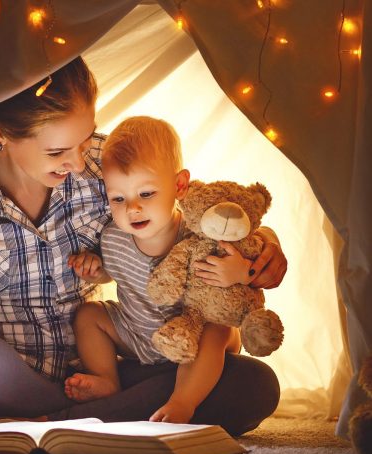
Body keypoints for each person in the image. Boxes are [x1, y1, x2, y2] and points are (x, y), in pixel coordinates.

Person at [0, 56, 287, 435]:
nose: (77, 162)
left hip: (97, 374)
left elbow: (191, 211)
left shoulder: (103, 168)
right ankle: (87, 420)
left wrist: (264, 244)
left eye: (85, 140)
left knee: (251, 385)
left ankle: (28, 426)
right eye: (57, 151)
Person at [65, 116, 263, 423]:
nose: (132, 208)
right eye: (118, 198)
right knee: (88, 315)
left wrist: (239, 271)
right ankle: (107, 379)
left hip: (196, 340)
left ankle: (183, 400)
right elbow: (114, 272)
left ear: (179, 185)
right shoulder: (113, 238)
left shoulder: (198, 233)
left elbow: (242, 262)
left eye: (146, 194)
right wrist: (96, 271)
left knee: (218, 327)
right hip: (138, 335)